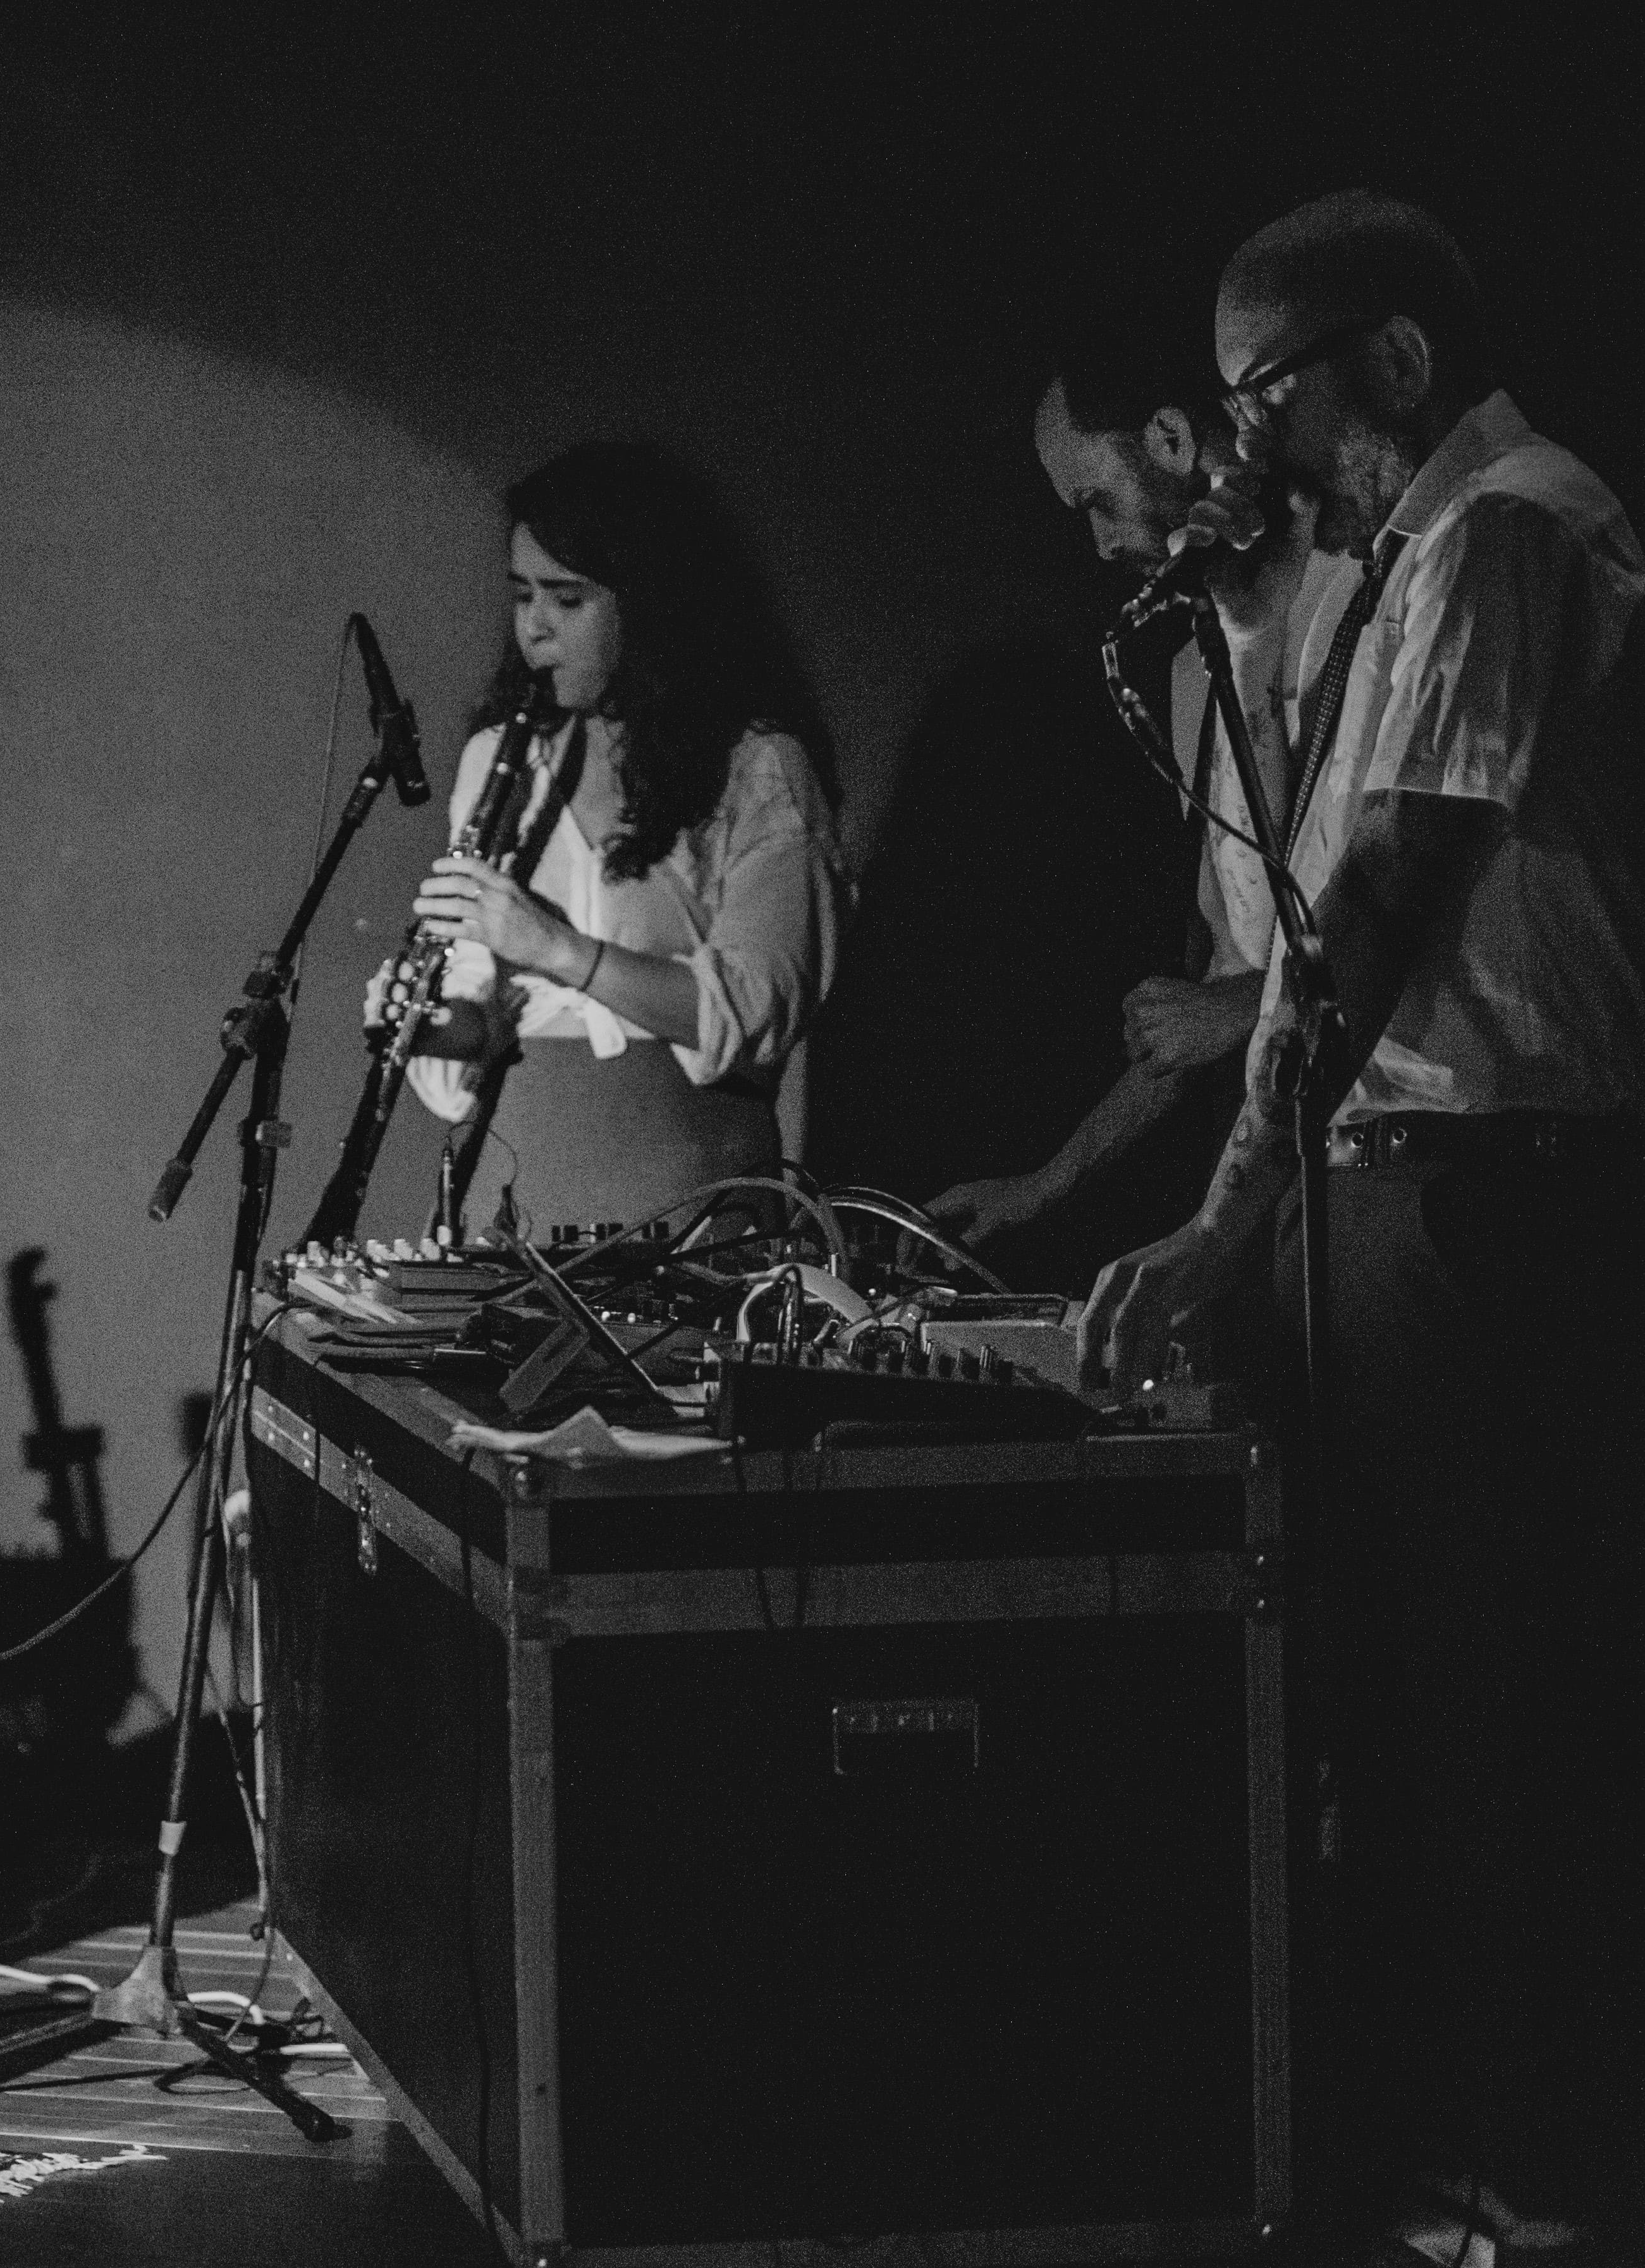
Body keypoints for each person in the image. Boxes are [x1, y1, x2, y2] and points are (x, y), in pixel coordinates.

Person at [1078, 192, 1645, 2257]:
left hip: (1486, 1192)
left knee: (1491, 1704)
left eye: (1265, 397)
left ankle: (1534, 2179)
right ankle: (1474, 2156)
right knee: (1420, 1703)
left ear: (1393, 361)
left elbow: (1382, 906)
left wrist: (1221, 1223)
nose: (1248, 447)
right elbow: (1311, 912)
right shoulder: (1412, 561)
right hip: (1412, 1183)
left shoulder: (1503, 529)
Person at [925, 301, 1355, 1269]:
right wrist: (1045, 1183)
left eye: (1096, 502)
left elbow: (1411, 896)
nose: (1098, 545)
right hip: (1284, 1173)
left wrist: (1243, 1007)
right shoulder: (1196, 669)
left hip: (1422, 1146)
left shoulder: (1363, 596)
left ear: (1169, 438)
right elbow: (1203, 1000)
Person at [374, 440, 846, 1241]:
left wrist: (556, 948)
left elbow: (756, 1009)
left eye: (568, 599)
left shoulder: (758, 767)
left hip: (686, 1187)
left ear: (649, 604)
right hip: (512, 1188)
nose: (534, 627)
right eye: (521, 594)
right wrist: (433, 1023)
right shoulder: (498, 758)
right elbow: (486, 1013)